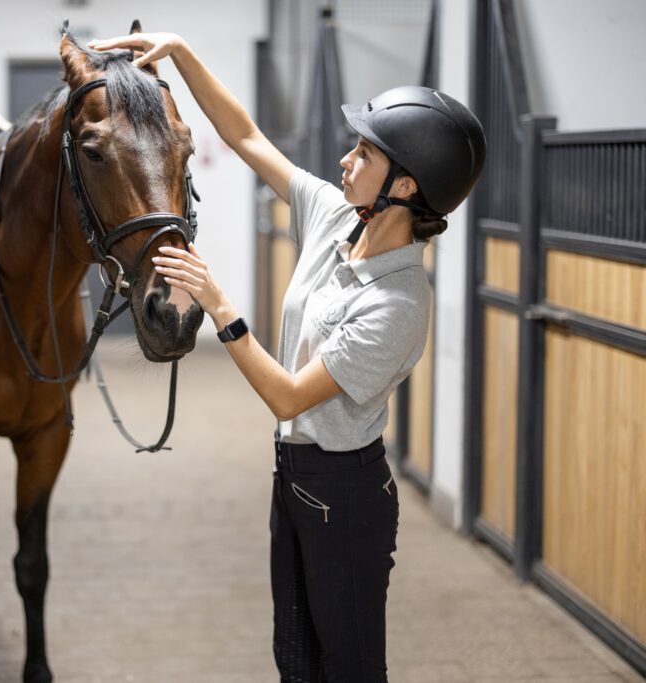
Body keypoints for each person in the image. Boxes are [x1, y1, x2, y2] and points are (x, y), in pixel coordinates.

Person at [89, 32, 486, 682]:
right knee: (296, 663)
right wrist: (183, 54)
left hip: (345, 491)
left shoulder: (400, 301)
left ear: (406, 185)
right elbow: (245, 138)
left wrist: (220, 307)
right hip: (294, 475)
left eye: (365, 153)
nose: (345, 159)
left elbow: (288, 395)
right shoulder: (337, 216)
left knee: (351, 668)